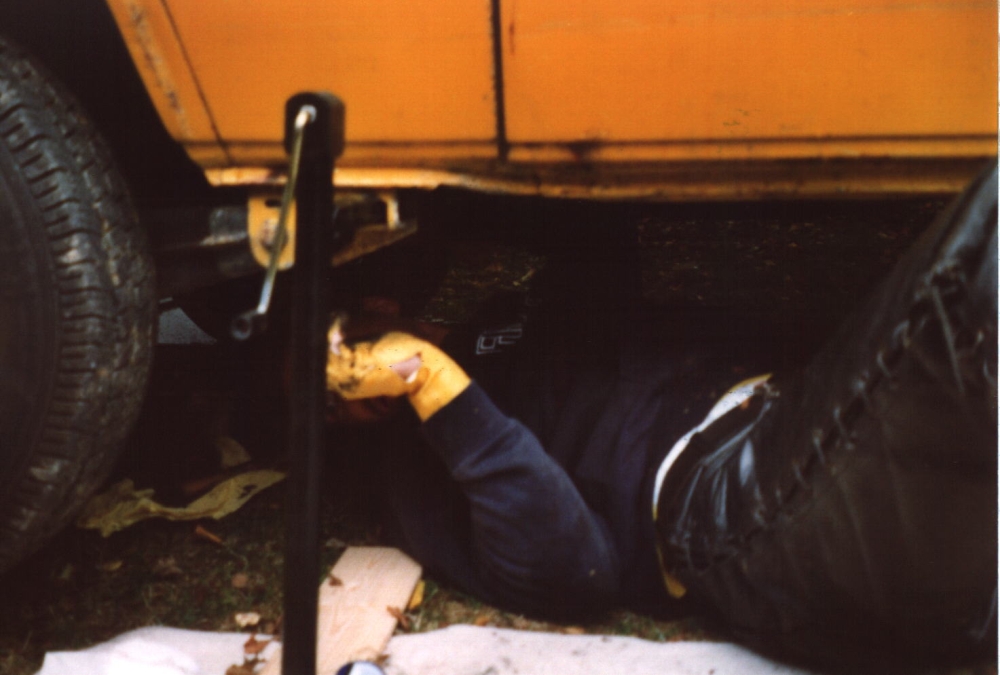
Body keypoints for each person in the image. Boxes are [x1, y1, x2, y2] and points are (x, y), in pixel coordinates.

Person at [326, 165, 997, 667]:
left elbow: (589, 219)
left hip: (802, 397)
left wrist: (437, 214)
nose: (347, 385)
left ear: (377, 309)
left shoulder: (511, 322)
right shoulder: (417, 461)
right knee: (977, 275)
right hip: (724, 500)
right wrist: (433, 385)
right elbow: (570, 573)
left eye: (336, 356)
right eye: (327, 400)